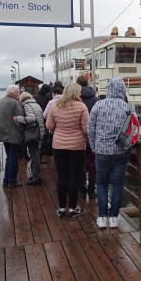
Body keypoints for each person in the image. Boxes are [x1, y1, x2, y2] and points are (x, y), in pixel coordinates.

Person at [87, 77, 133, 229]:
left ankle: (102, 217)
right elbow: (134, 130)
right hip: (121, 152)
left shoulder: (98, 105)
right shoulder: (128, 107)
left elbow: (90, 129)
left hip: (101, 152)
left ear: (109, 89)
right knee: (117, 184)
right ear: (122, 89)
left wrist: (94, 147)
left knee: (101, 184)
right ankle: (113, 217)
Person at [45, 82, 89, 217]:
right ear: (76, 92)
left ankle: (61, 208)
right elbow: (86, 129)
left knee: (62, 176)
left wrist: (60, 128)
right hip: (77, 147)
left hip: (59, 146)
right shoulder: (81, 107)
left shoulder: (55, 105)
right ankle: (73, 208)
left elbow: (49, 125)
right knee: (73, 177)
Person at [0, 85, 23, 187]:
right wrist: (22, 131)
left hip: (2, 133)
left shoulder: (0, 101)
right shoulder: (15, 103)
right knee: (13, 158)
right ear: (13, 93)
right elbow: (19, 119)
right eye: (18, 92)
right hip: (13, 134)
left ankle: (6, 180)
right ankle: (12, 181)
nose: (19, 94)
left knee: (9, 156)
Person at [76, 75, 99, 198]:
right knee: (92, 164)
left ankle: (81, 188)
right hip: (93, 137)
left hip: (79, 137)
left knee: (80, 163)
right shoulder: (96, 100)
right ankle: (91, 189)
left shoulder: (76, 100)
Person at [15, 92, 45, 185]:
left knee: (34, 156)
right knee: (35, 154)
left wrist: (18, 118)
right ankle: (34, 174)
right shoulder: (36, 104)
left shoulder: (27, 105)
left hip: (34, 133)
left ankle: (36, 177)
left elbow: (31, 118)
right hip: (40, 132)